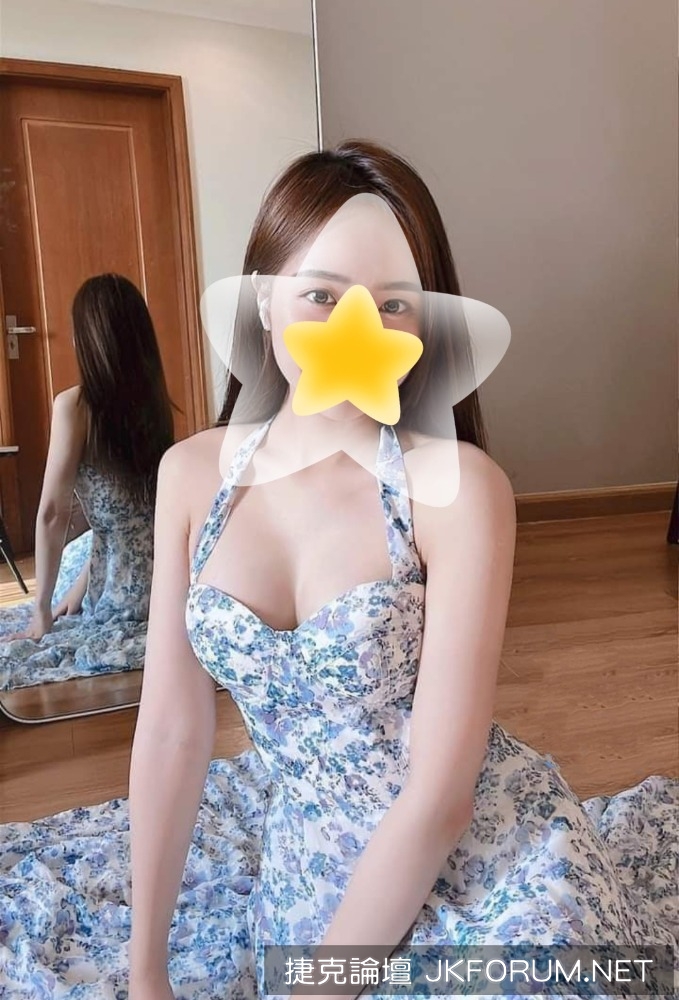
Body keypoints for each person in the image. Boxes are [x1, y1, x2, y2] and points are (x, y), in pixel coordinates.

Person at [126, 141, 676, 1000]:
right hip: (311, 874)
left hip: (479, 861)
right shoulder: (191, 475)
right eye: (321, 296)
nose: (359, 332)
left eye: (394, 304)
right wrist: (145, 971)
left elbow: (439, 799)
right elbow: (170, 728)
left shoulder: (455, 490)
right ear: (264, 300)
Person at [0, 273, 175, 691]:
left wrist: (40, 610)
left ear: (88, 339)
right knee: (78, 557)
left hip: (123, 595)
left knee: (64, 569)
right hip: (164, 579)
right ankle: (76, 588)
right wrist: (79, 588)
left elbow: (51, 514)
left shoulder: (75, 406)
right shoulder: (156, 405)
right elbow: (132, 520)